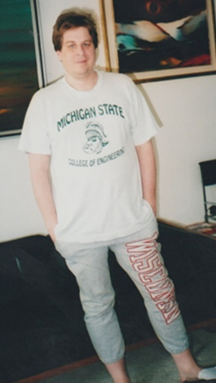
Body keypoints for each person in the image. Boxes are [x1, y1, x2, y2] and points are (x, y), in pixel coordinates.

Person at [19, 9, 216, 383]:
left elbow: (144, 146)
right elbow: (37, 170)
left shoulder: (121, 86)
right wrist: (54, 227)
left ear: (96, 47)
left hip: (131, 223)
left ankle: (188, 368)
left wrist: (149, 203)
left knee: (160, 294)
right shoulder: (44, 103)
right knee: (98, 307)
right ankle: (120, 380)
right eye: (71, 45)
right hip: (79, 232)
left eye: (87, 44)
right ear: (59, 52)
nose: (81, 52)